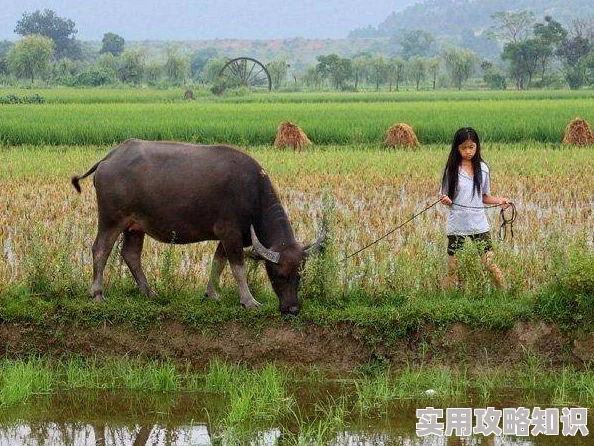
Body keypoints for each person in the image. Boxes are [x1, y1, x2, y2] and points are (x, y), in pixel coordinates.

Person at [439, 127, 511, 290]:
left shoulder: (483, 169)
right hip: (458, 224)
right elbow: (446, 198)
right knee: (453, 266)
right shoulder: (452, 170)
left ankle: (504, 293)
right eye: (463, 148)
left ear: (477, 146)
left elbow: (484, 197)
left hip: (479, 223)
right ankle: (446, 298)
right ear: (457, 148)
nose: (468, 151)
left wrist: (500, 200)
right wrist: (445, 200)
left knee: (489, 262)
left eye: (471, 147)